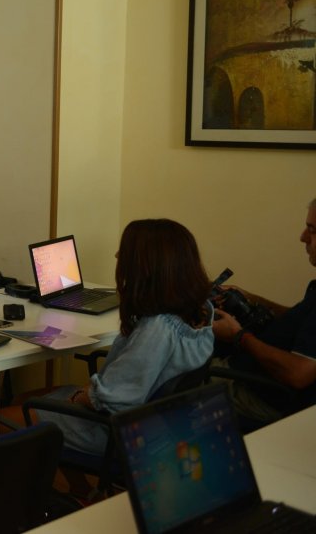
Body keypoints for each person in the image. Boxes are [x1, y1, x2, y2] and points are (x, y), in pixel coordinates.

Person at [34, 219, 214, 463]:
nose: (117, 256)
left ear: (146, 266)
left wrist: (79, 397)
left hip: (115, 433)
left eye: (125, 252)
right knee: (36, 399)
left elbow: (111, 400)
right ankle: (69, 483)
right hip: (156, 427)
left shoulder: (156, 330)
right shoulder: (201, 313)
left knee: (6, 418)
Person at [211, 197, 316, 424]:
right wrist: (251, 298)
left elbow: (299, 374)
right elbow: (298, 320)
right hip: (250, 375)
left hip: (257, 395)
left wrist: (239, 336)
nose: (302, 237)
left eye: (312, 230)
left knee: (174, 383)